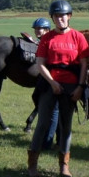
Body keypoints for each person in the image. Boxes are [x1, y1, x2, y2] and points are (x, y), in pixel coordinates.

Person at [27, 0, 89, 177]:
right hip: (49, 85)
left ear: (69, 16)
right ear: (52, 18)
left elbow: (84, 64)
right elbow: (40, 63)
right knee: (42, 124)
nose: (60, 19)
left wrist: (80, 87)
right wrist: (53, 83)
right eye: (56, 16)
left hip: (72, 87)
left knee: (66, 126)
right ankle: (33, 165)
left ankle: (64, 166)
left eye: (63, 15)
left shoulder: (78, 37)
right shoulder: (47, 38)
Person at [23, 18, 59, 151]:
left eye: (40, 28)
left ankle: (49, 142)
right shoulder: (43, 41)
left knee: (55, 112)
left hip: (51, 79)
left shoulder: (49, 42)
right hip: (46, 80)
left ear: (47, 29)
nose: (37, 30)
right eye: (36, 29)